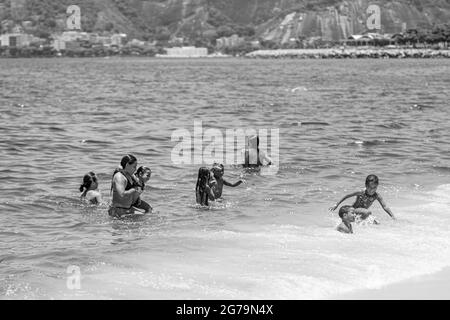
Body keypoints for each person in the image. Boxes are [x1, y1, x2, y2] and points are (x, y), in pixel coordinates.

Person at [330, 174, 395, 221]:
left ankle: (357, 223)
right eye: (370, 187)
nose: (372, 190)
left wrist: (392, 216)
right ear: (366, 186)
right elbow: (347, 196)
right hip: (354, 210)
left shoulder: (377, 195)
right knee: (367, 212)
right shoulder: (361, 192)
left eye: (374, 187)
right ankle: (355, 221)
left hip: (362, 213)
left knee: (377, 224)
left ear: (377, 186)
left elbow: (385, 206)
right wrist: (336, 205)